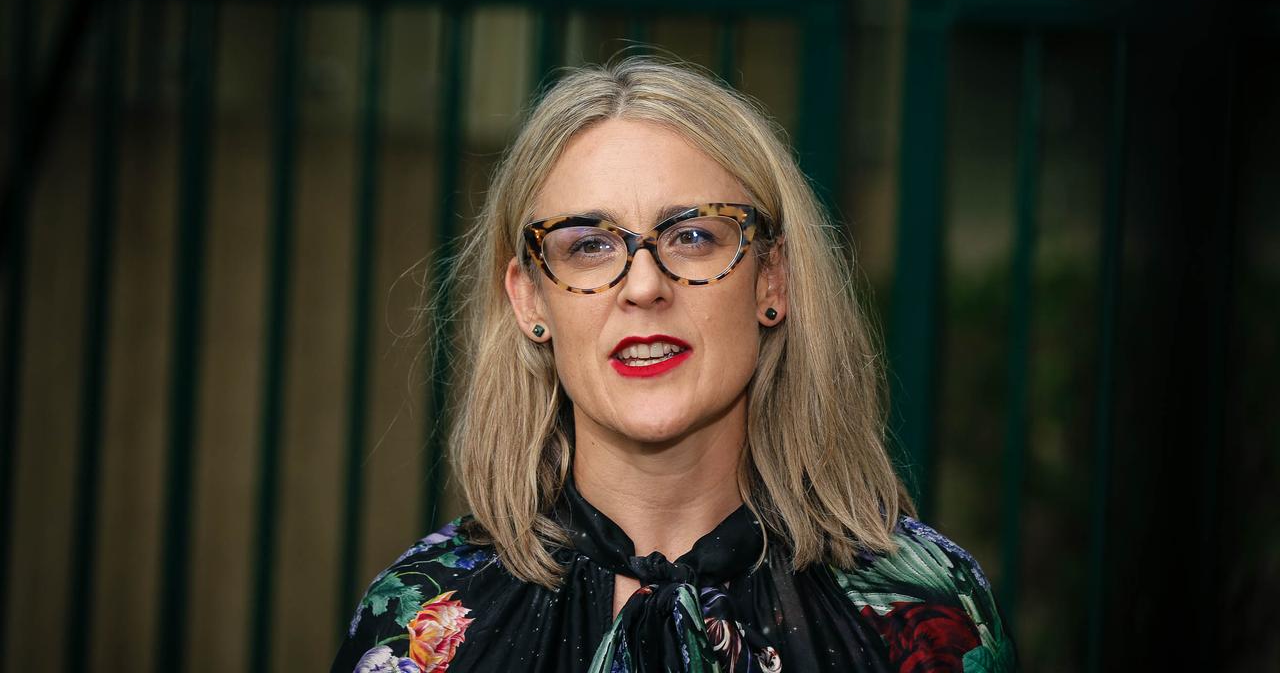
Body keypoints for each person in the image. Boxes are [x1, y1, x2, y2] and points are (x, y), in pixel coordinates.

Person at [332, 58, 1015, 673]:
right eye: (589, 245)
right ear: (530, 297)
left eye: (692, 236)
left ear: (771, 279)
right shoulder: (416, 626)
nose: (643, 285)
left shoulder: (928, 608)